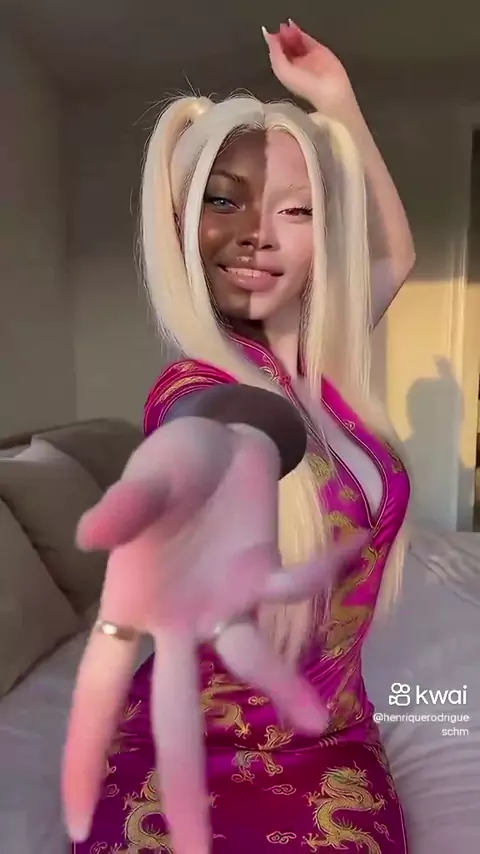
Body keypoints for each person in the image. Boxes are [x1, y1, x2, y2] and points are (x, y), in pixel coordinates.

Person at [65, 20, 415, 854]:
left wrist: (338, 103)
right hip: (184, 752)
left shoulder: (323, 369)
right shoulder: (196, 389)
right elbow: (212, 436)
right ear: (184, 223)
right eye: (224, 201)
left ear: (324, 235)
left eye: (296, 210)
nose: (258, 232)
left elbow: (395, 255)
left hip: (332, 739)